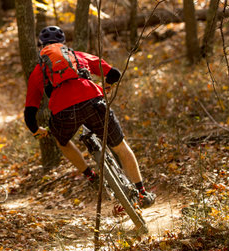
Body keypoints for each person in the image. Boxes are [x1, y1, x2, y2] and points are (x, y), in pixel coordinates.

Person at [24, 25, 155, 208]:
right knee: (120, 146)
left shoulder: (38, 71)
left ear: (41, 47)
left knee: (62, 142)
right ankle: (142, 193)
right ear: (64, 45)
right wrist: (107, 87)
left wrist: (36, 130)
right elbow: (114, 73)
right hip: (93, 102)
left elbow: (29, 112)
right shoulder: (79, 56)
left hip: (63, 113)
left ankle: (90, 175)